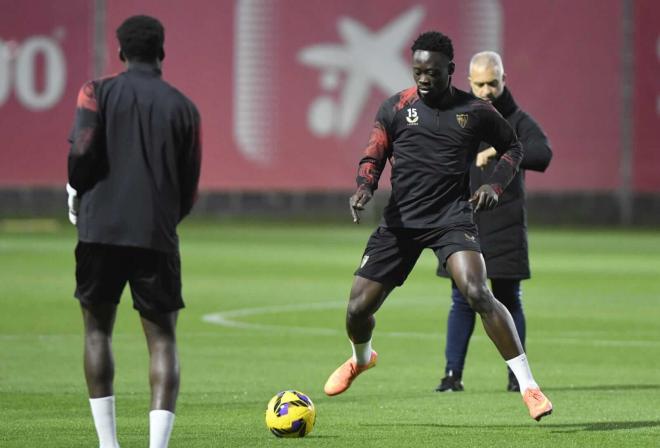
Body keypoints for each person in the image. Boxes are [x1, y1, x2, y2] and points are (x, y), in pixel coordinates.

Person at [323, 31, 552, 421]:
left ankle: (529, 387)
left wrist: (495, 184)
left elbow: (515, 147)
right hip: (401, 223)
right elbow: (373, 153)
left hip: (451, 219)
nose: (423, 79)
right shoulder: (396, 107)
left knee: (478, 292)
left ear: (450, 70)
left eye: (432, 72)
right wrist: (364, 187)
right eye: (417, 71)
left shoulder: (475, 110)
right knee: (357, 310)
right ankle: (362, 358)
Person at [66, 15, 201, 448]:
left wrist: (76, 194)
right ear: (162, 52)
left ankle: (108, 444)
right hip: (155, 236)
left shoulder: (96, 92)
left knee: (96, 332)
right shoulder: (183, 107)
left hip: (98, 230)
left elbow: (81, 153)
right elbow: (188, 186)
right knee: (162, 340)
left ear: (121, 52)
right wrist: (163, 219)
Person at [435, 51, 553, 393]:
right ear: (469, 82)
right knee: (461, 300)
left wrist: (501, 152)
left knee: (508, 297)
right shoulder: (459, 116)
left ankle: (517, 377)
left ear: (504, 80)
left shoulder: (517, 120)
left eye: (493, 83)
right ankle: (451, 375)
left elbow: (543, 154)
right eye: (480, 84)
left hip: (505, 223)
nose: (487, 90)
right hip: (464, 221)